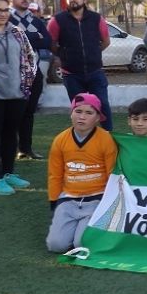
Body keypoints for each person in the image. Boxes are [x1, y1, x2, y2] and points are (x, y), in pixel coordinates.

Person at [46, 93, 117, 252]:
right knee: (56, 245)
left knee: (81, 244)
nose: (82, 117)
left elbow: (112, 173)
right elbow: (55, 174)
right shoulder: (60, 139)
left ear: (98, 117)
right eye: (78, 111)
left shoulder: (106, 139)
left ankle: (87, 230)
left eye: (89, 113)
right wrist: (54, 202)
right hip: (69, 199)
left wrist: (109, 204)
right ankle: (71, 228)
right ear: (71, 113)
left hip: (96, 200)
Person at [0, 0, 36, 195]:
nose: (2, 13)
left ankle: (8, 173)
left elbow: (30, 56)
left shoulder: (17, 32)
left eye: (5, 9)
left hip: (17, 94)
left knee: (10, 134)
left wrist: (27, 85)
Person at [47, 0, 112, 130]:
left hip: (95, 72)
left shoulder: (96, 19)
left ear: (84, 0)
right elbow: (51, 43)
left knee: (103, 104)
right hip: (71, 75)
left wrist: (94, 52)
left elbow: (106, 41)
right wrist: (63, 55)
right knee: (79, 109)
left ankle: (108, 136)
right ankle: (83, 136)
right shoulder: (57, 20)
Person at [9, 0, 52, 160]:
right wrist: (33, 37)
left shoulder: (36, 20)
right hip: (11, 73)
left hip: (33, 72)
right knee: (11, 113)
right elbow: (13, 40)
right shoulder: (6, 19)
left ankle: (26, 149)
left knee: (28, 112)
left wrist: (25, 37)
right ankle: (9, 149)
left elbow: (47, 42)